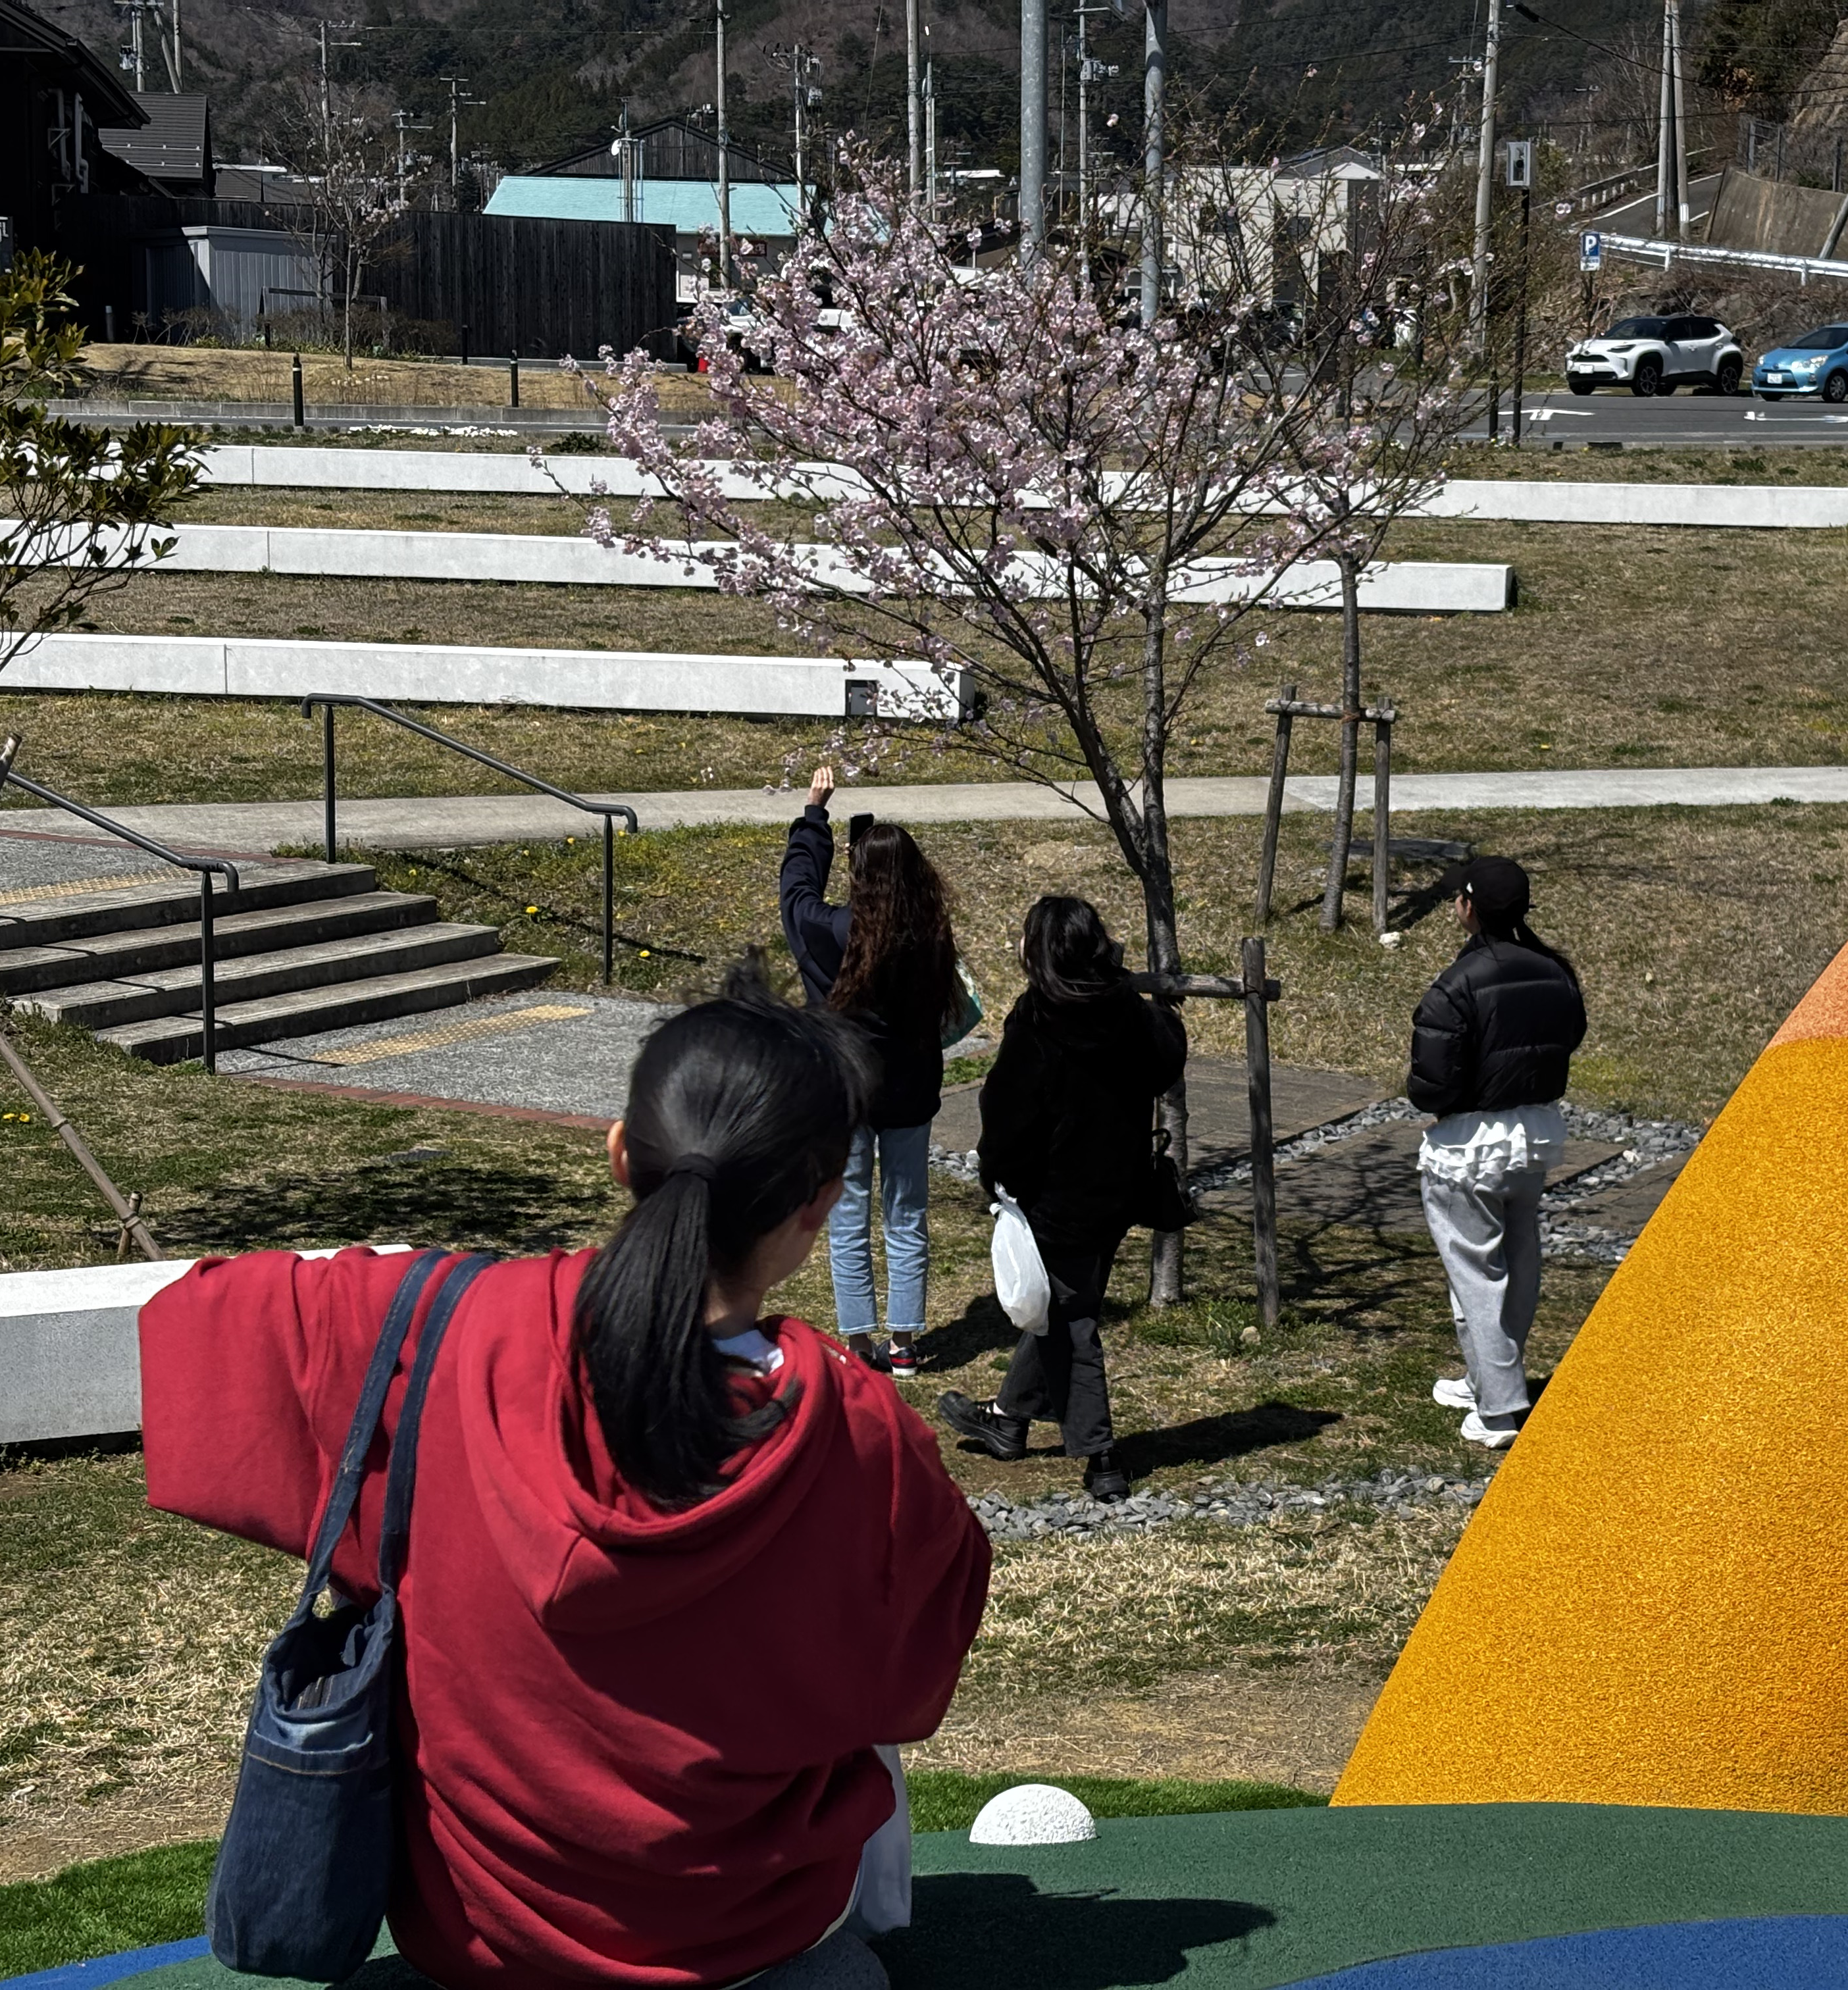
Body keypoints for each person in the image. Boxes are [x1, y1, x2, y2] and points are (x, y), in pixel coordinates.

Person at [137, 958, 990, 1990]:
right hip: (740, 1940)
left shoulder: (436, 1331)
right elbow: (907, 1688)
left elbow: (194, 1328)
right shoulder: (860, 1434)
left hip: (478, 1938)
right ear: (818, 1206)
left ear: (623, 1151)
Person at [936, 895, 1186, 1504]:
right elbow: (1165, 1059)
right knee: (1059, 1307)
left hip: (1059, 1200)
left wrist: (998, 1182)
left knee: (1071, 1325)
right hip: (1119, 1191)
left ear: (1040, 951)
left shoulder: (1038, 1021)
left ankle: (1101, 1456)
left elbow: (1008, 1119)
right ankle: (1008, 1421)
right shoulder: (1125, 1007)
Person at [781, 765, 969, 1378]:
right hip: (911, 1093)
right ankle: (906, 1341)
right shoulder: (931, 938)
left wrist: (816, 816)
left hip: (848, 1095)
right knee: (907, 1215)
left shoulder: (833, 932)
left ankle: (861, 1344)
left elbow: (796, 891)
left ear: (860, 880)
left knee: (849, 1214)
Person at [1407, 855, 1588, 1450]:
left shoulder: (1456, 984)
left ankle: (1499, 1411)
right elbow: (1569, 1039)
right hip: (1534, 1137)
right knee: (1518, 1260)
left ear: (1467, 907)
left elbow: (1430, 1085)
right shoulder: (1554, 972)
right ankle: (1486, 1380)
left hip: (1468, 1147)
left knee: (1476, 1276)